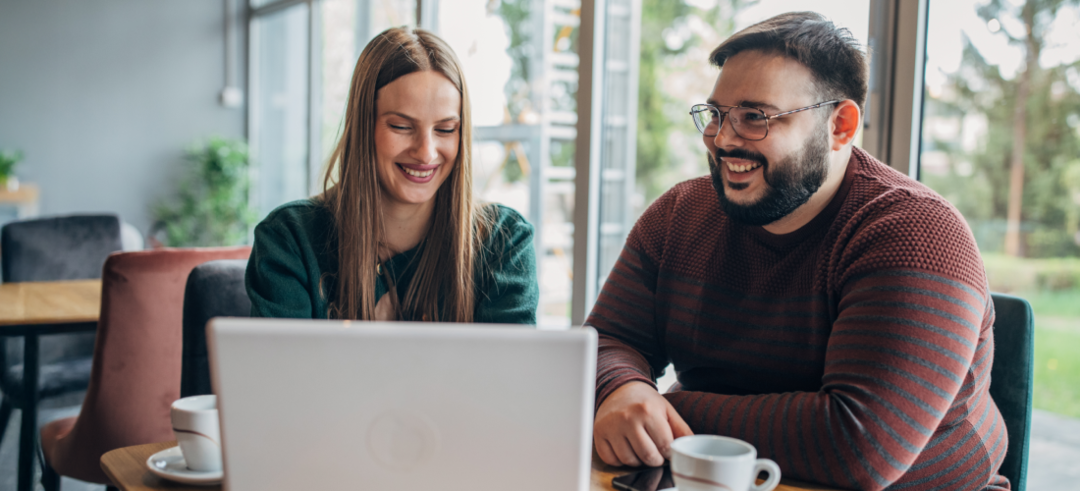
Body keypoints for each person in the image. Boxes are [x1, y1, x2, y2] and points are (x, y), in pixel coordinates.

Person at [588, 12, 1009, 491]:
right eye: (717, 115)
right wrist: (622, 387)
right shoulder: (680, 214)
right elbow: (605, 340)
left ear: (841, 126)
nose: (723, 140)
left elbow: (856, 446)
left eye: (755, 118)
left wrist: (660, 407)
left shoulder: (917, 233)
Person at [246, 27, 538, 324]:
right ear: (364, 127)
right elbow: (280, 370)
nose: (426, 153)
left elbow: (512, 370)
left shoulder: (503, 243)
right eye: (401, 126)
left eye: (445, 129)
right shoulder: (290, 239)